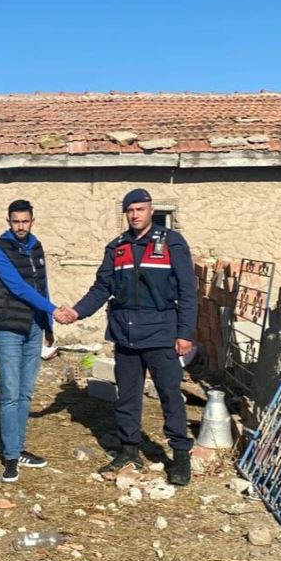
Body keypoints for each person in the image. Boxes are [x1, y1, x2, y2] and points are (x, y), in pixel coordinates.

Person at [58, 188, 197, 485]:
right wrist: (77, 312)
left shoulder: (171, 242)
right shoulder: (116, 247)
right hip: (126, 335)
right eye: (130, 210)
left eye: (140, 209)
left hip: (161, 333)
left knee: (170, 396)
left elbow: (187, 291)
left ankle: (180, 456)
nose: (135, 215)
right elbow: (101, 288)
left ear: (150, 210)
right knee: (128, 398)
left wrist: (185, 333)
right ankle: (129, 449)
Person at [0, 199, 63, 483]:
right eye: (15, 221)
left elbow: (42, 285)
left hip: (33, 328)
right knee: (10, 393)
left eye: (25, 221)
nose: (20, 226)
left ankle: (18, 449)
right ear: (9, 221)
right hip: (9, 327)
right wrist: (54, 308)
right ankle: (9, 456)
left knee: (26, 392)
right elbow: (17, 287)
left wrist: (48, 324)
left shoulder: (36, 247)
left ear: (32, 221)